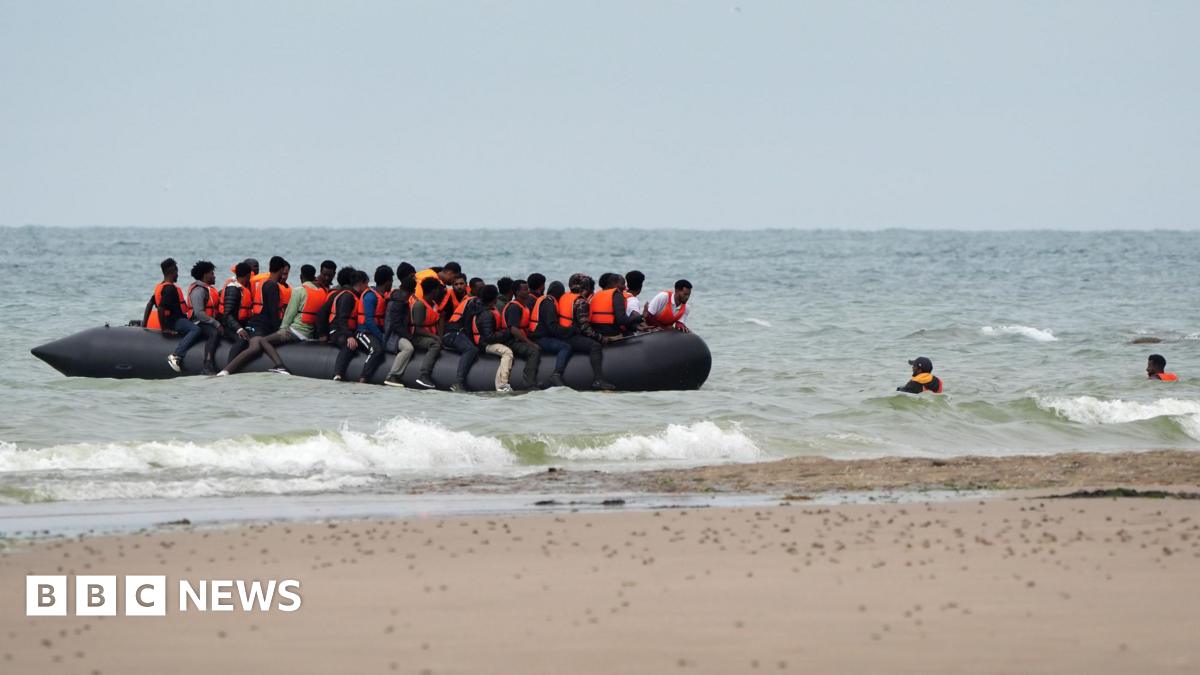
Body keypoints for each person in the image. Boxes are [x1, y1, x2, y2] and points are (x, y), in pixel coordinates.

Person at [217, 264, 323, 377]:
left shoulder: (285, 288)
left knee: (255, 345)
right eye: (284, 273)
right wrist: (238, 329)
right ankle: (226, 370)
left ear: (301, 276)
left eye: (287, 274)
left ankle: (226, 371)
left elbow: (285, 314)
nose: (284, 276)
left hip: (266, 326)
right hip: (255, 326)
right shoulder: (269, 286)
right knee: (252, 345)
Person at [443, 285, 514, 392]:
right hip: (470, 339)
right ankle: (501, 385)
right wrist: (507, 333)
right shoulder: (486, 313)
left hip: (478, 339)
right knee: (473, 349)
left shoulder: (478, 306)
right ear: (495, 298)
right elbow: (489, 337)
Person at [143, 258, 202, 373]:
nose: (177, 274)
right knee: (196, 330)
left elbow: (150, 304)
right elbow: (160, 308)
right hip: (174, 321)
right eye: (177, 271)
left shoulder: (162, 286)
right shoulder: (170, 289)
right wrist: (165, 329)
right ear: (172, 271)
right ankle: (177, 355)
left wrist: (144, 324)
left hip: (174, 320)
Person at [570, 276, 616, 390]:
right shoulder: (581, 302)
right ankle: (598, 380)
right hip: (570, 337)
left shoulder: (567, 298)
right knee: (595, 346)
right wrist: (602, 339)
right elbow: (585, 328)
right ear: (587, 289)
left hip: (562, 334)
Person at [350, 265, 393, 383]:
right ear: (388, 281)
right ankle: (363, 378)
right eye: (391, 281)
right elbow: (369, 321)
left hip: (375, 332)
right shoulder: (370, 296)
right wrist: (382, 337)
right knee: (376, 350)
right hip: (364, 332)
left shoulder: (382, 296)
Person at [326, 268, 369, 382]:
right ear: (360, 283)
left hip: (347, 331)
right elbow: (342, 319)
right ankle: (338, 373)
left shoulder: (355, 295)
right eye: (366, 284)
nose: (367, 287)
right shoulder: (348, 296)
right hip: (337, 331)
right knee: (349, 345)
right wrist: (349, 336)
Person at [530, 281, 574, 387]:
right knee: (565, 347)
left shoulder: (545, 300)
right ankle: (556, 374)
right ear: (559, 294)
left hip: (539, 335)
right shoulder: (549, 304)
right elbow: (552, 327)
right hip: (540, 339)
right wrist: (570, 330)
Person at [501, 279, 542, 388]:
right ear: (517, 292)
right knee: (533, 352)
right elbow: (514, 330)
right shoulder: (514, 307)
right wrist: (531, 344)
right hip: (511, 341)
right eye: (525, 290)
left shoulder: (523, 306)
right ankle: (529, 383)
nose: (528, 291)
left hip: (520, 338)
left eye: (528, 289)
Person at [185, 260, 223, 375]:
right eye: (212, 273)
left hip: (208, 321)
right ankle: (208, 363)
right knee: (214, 333)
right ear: (205, 275)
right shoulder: (198, 290)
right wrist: (217, 324)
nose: (214, 276)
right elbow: (199, 314)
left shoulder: (208, 289)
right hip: (198, 322)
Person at [409, 277, 446, 389]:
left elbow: (438, 321)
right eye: (438, 289)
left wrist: (440, 337)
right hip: (417, 338)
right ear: (433, 291)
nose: (440, 292)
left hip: (431, 336)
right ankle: (423, 375)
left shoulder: (434, 304)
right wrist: (435, 337)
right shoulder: (420, 305)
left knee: (439, 342)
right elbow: (417, 329)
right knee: (435, 345)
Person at [382, 275, 417, 387]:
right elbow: (396, 325)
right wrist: (409, 337)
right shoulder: (400, 302)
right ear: (413, 291)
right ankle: (392, 375)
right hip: (392, 336)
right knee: (408, 348)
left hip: (395, 333)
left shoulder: (398, 298)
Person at [249, 256, 291, 339]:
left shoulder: (267, 283)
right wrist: (278, 331)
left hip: (259, 321)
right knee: (259, 343)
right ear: (281, 270)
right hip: (264, 325)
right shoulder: (272, 285)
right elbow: (273, 310)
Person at [589, 273, 641, 337]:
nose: (625, 287)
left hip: (596, 332)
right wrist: (639, 317)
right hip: (610, 334)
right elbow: (622, 320)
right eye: (622, 284)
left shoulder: (596, 295)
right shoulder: (617, 295)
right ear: (614, 284)